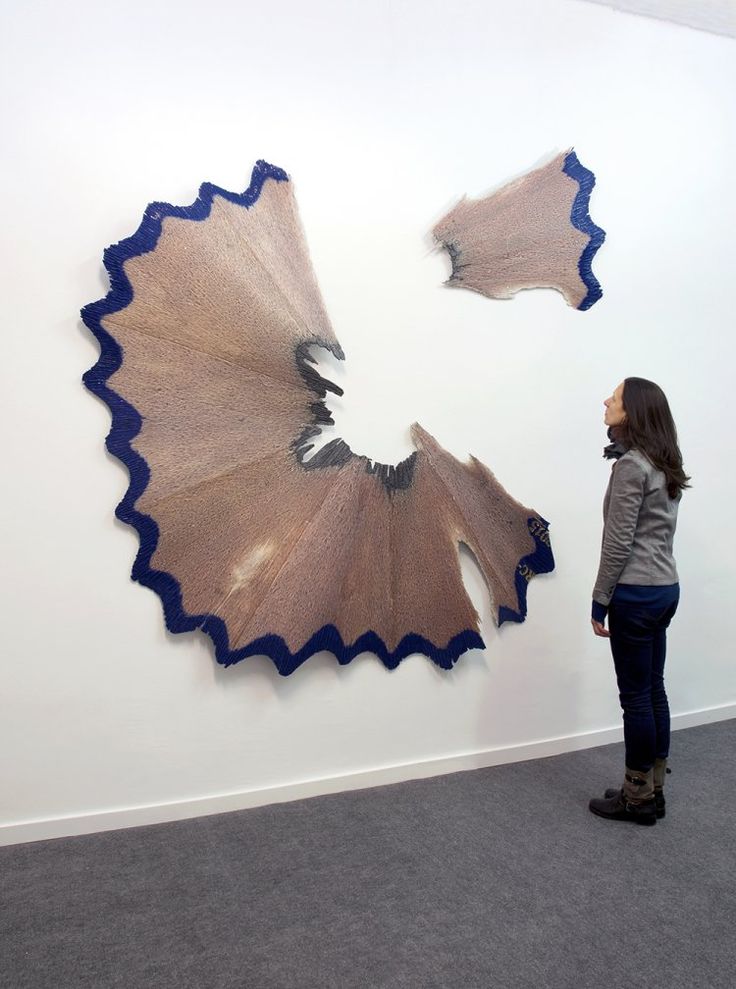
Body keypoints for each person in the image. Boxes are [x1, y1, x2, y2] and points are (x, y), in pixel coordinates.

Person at [588, 377, 690, 826]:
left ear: (632, 412)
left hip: (636, 593)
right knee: (654, 689)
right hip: (665, 588)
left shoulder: (631, 465)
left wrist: (599, 599)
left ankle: (636, 799)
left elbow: (618, 544)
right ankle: (654, 789)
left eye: (616, 397)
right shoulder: (663, 460)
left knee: (636, 699)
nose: (607, 400)